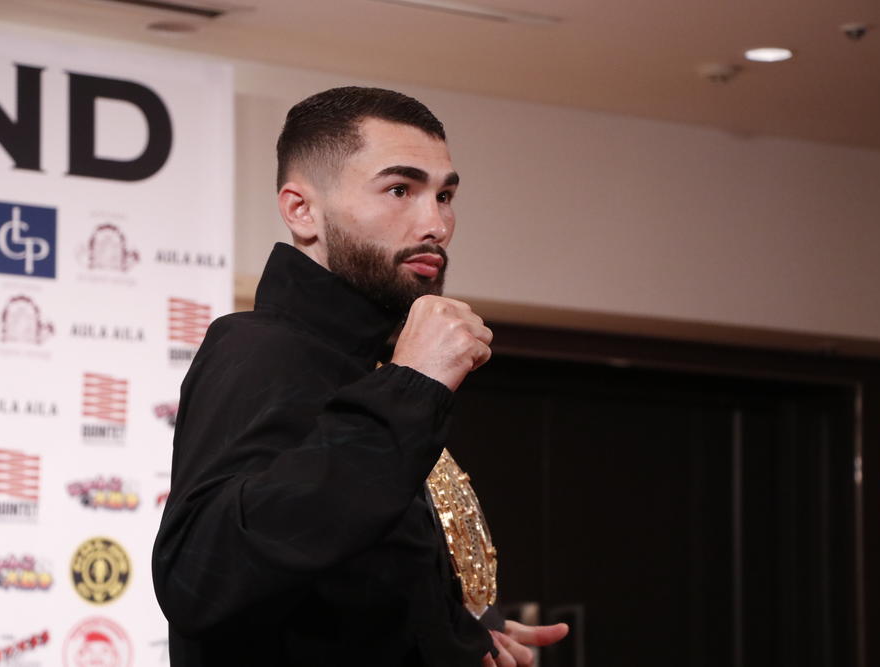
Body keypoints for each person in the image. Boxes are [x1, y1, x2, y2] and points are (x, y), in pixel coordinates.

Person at [152, 86, 568, 666]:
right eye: (400, 190)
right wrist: (412, 386)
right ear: (302, 211)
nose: (436, 224)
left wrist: (458, 634)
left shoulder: (368, 364)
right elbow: (200, 579)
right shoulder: (262, 347)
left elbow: (337, 576)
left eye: (444, 196)